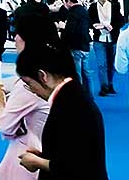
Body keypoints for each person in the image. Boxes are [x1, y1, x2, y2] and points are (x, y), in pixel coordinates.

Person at [16, 43, 108, 179]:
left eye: (29, 84)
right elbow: (72, 150)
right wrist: (44, 156)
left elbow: (78, 166)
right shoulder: (72, 95)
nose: (32, 91)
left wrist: (37, 162)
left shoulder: (72, 106)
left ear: (42, 76)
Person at [0, 14, 54, 180]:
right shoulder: (52, 70)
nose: (14, 38)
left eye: (18, 33)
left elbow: (6, 127)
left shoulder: (29, 83)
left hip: (27, 154)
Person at [88, 0, 123, 96]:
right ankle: (104, 87)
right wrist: (95, 25)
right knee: (101, 64)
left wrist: (113, 26)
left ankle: (110, 83)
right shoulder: (93, 7)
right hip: (99, 39)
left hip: (112, 38)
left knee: (111, 64)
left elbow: (120, 20)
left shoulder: (114, 6)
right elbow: (89, 21)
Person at [55, 0, 92, 92]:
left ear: (68, 1)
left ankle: (80, 96)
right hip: (85, 44)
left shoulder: (72, 13)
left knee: (77, 74)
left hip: (76, 46)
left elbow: (70, 30)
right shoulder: (84, 10)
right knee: (87, 73)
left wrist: (62, 27)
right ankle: (90, 95)